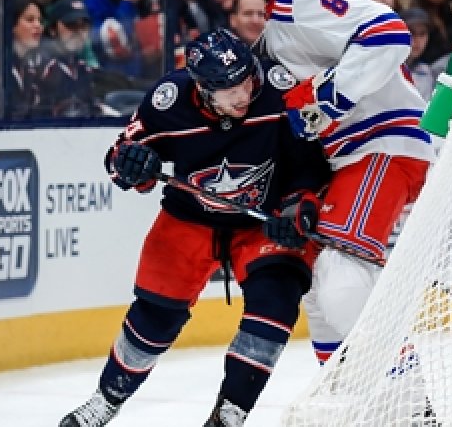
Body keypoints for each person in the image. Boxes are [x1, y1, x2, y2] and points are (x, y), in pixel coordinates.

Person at [58, 28, 331, 427]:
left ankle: (230, 414)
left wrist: (297, 208)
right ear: (202, 89)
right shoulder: (168, 100)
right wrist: (135, 164)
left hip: (264, 224)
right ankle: (106, 400)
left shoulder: (278, 89)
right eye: (227, 89)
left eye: (245, 80)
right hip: (190, 218)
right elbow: (121, 156)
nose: (241, 94)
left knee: (276, 302)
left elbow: (311, 162)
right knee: (156, 314)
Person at [206, 0, 435, 366]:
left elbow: (388, 35)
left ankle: (406, 398)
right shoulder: (279, 13)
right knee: (314, 282)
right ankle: (347, 393)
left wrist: (324, 99)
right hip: (350, 155)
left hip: (382, 143)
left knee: (341, 278)